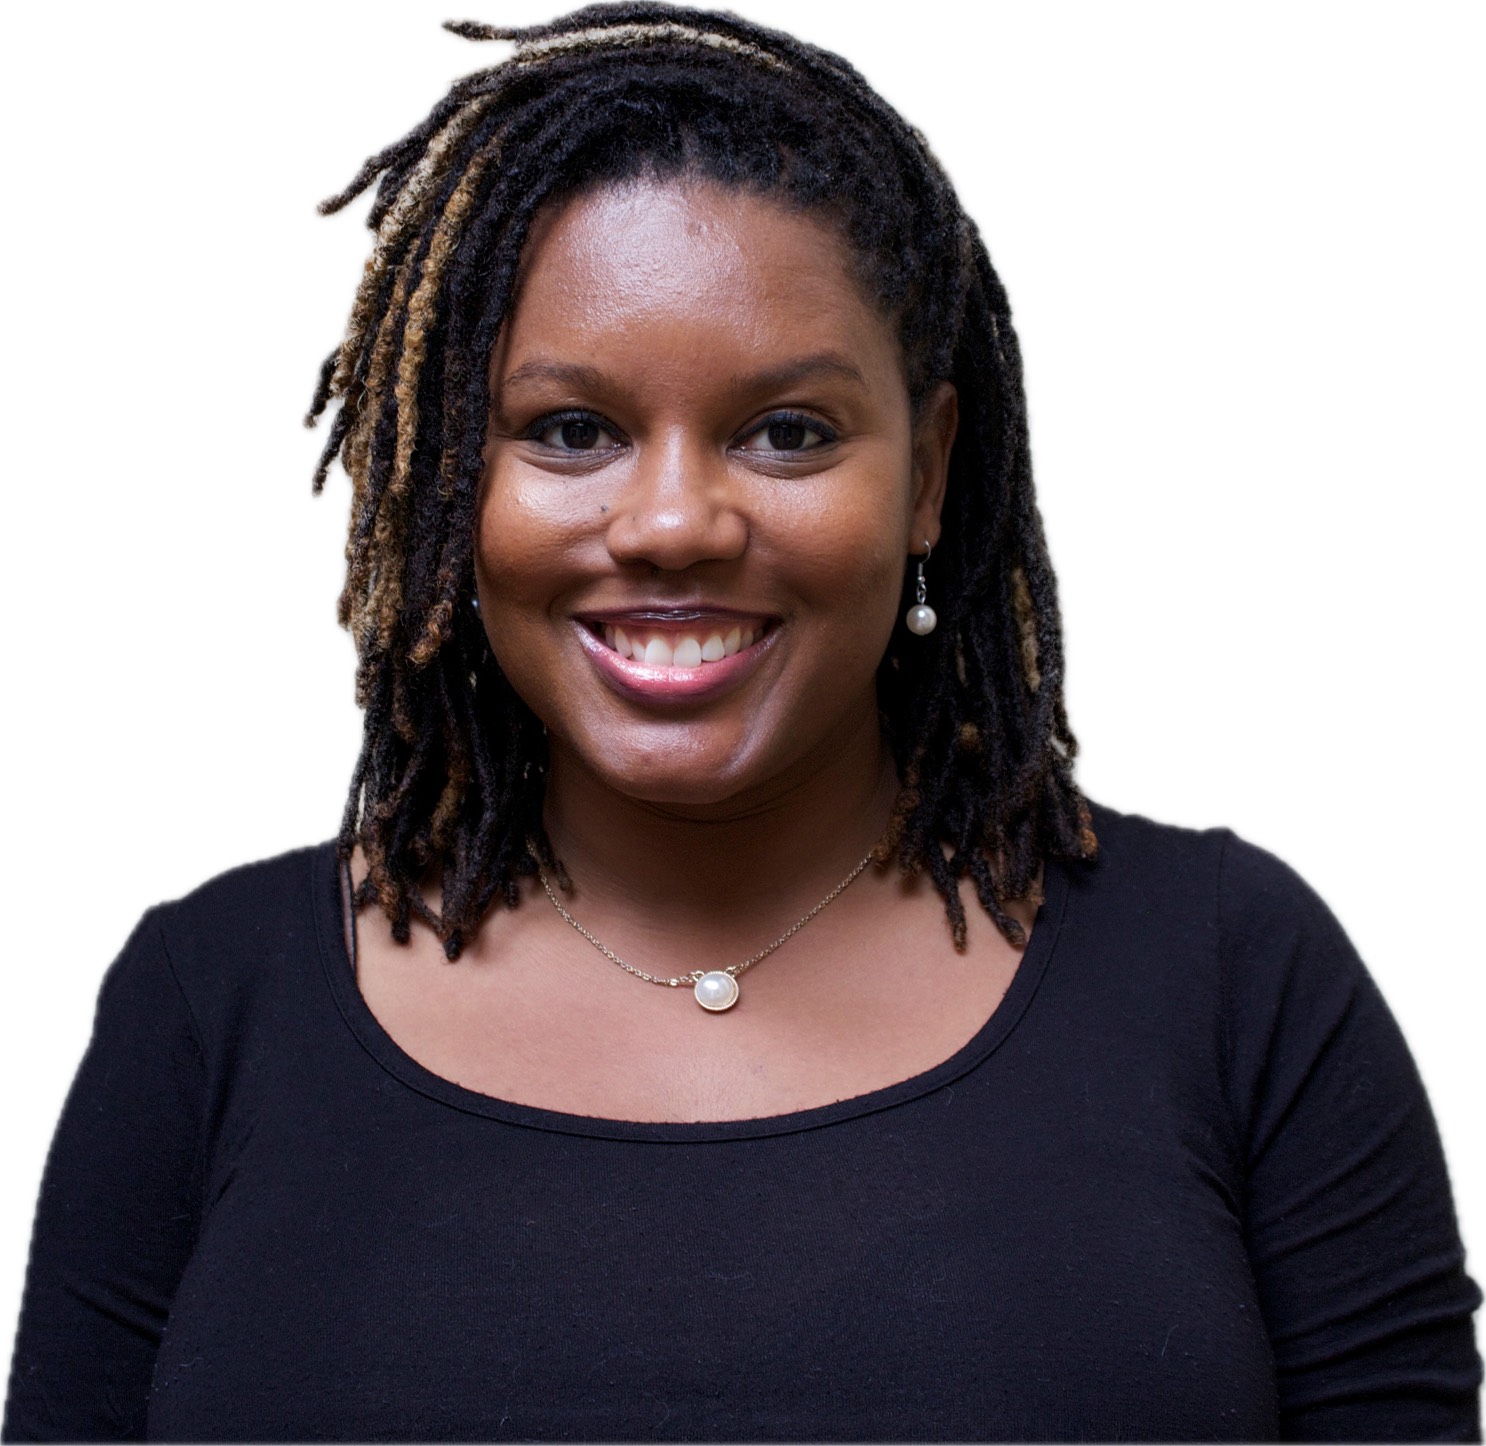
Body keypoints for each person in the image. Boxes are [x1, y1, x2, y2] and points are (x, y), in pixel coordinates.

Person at [3, 3, 1480, 1439]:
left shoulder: (1232, 978)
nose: (671, 523)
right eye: (570, 430)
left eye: (788, 432)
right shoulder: (208, 1006)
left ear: (927, 475)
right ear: (454, 474)